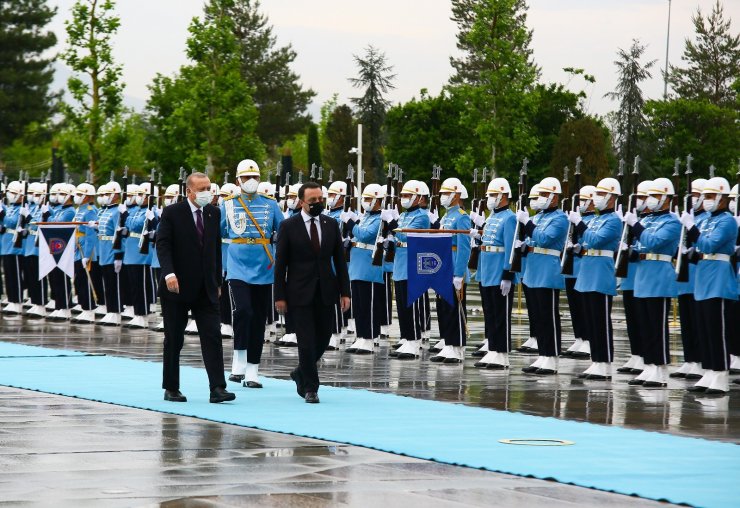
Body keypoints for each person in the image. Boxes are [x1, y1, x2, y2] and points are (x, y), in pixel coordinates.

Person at [157, 172, 234, 404]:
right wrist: (169, 273)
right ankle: (171, 387)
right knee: (174, 338)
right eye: (202, 189)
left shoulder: (213, 212)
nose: (207, 193)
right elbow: (163, 245)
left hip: (206, 288)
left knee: (212, 336)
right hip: (177, 287)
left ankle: (218, 387)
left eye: (209, 188)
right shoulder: (173, 213)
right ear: (189, 191)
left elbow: (214, 250)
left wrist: (217, 282)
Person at [274, 181, 351, 404]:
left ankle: (301, 371)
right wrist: (279, 295)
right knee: (306, 340)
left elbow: (339, 260)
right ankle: (311, 387)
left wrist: (345, 292)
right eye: (312, 201)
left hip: (326, 289)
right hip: (298, 292)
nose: (318, 204)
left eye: (320, 200)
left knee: (324, 336)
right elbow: (281, 264)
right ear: (301, 202)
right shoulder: (289, 226)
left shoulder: (330, 224)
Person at [222, 159, 282, 388]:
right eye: (246, 178)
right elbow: (215, 234)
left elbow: (282, 230)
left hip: (263, 265)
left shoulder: (270, 204)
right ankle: (239, 357)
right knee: (243, 310)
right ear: (238, 180)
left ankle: (253, 370)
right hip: (237, 264)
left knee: (258, 317)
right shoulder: (227, 205)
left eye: (254, 177)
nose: (250, 182)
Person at [680, 177, 738, 394]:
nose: (707, 201)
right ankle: (710, 370)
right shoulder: (706, 221)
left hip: (719, 278)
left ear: (722, 198)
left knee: (717, 329)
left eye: (712, 196)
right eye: (706, 196)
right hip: (704, 276)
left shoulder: (727, 221)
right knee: (704, 328)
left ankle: (721, 373)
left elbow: (708, 243)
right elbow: (698, 247)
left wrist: (692, 228)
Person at [623, 177, 681, 388]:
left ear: (667, 198)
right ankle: (649, 365)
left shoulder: (672, 221)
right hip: (642, 276)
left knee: (657, 326)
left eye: (655, 196)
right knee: (645, 326)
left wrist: (636, 226)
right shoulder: (647, 221)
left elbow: (654, 242)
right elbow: (640, 245)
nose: (650, 200)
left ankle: (660, 368)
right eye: (649, 196)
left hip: (659, 276)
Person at [570, 178, 623, 380]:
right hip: (588, 271)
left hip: (601, 272)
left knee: (601, 321)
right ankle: (596, 360)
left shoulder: (614, 220)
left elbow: (594, 239)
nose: (597, 198)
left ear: (611, 197)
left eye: (601, 195)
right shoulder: (599, 219)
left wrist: (580, 224)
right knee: (591, 321)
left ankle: (605, 362)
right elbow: (584, 241)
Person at [517, 177, 568, 375]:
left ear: (555, 197)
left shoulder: (560, 218)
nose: (541, 198)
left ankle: (552, 357)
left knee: (549, 317)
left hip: (548, 270)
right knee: (537, 317)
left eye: (545, 195)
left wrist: (527, 223)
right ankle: (542, 354)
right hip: (532, 269)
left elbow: (544, 239)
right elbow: (530, 239)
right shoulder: (537, 217)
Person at [472, 177, 517, 369]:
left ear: (503, 196)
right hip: (487, 270)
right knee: (489, 312)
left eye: (492, 195)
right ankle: (492, 348)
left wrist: (508, 274)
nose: (489, 199)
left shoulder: (510, 217)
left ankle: (502, 353)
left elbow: (510, 248)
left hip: (500, 271)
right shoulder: (491, 217)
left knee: (501, 314)